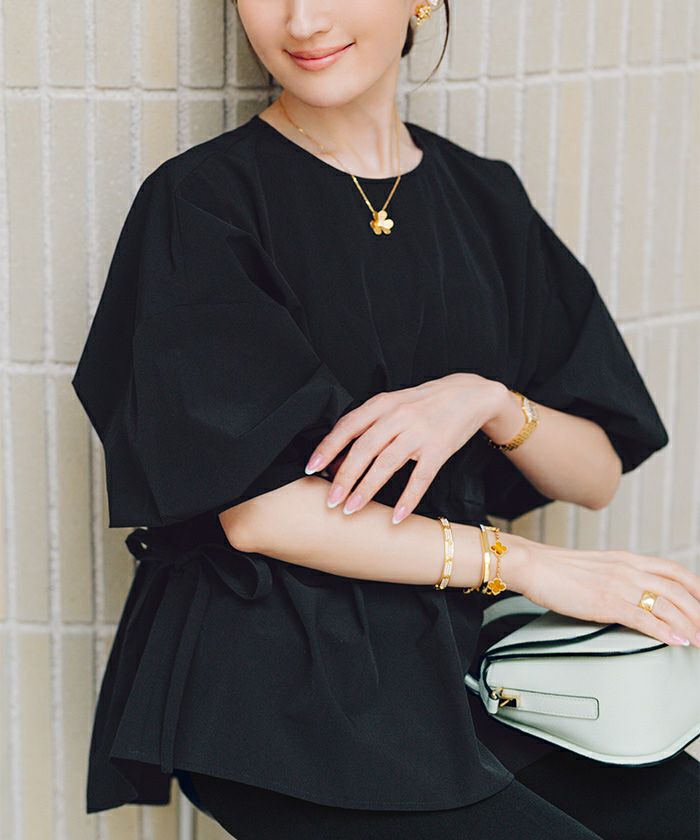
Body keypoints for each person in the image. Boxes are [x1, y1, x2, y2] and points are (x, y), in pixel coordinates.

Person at [71, 0, 700, 837]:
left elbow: (596, 471)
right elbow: (260, 514)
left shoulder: (484, 197)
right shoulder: (200, 201)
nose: (301, 21)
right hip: (275, 681)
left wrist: (488, 400)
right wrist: (525, 563)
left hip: (453, 662)